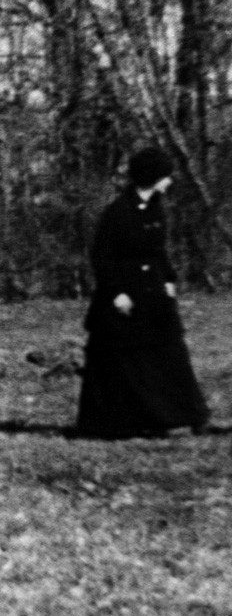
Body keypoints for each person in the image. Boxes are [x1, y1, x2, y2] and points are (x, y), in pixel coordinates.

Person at [76, 146, 209, 439]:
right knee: (122, 360)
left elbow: (157, 249)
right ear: (152, 176)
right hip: (124, 294)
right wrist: (116, 293)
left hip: (155, 293)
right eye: (165, 175)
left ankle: (184, 415)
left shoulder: (157, 207)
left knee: (170, 351)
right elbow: (102, 256)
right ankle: (116, 423)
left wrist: (169, 278)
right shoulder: (118, 212)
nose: (170, 181)